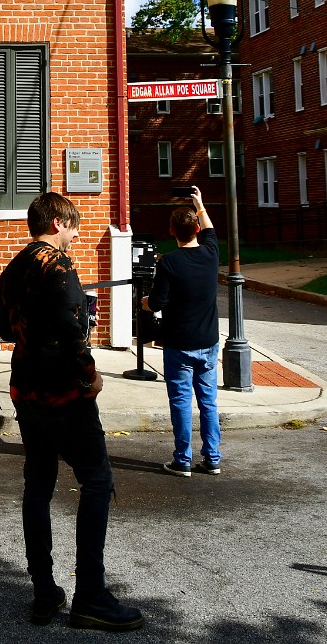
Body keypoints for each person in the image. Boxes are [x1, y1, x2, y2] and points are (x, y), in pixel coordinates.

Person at [0, 192, 143, 632]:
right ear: (58, 221)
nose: (77, 235)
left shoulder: (13, 267)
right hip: (62, 392)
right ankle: (91, 594)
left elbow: (5, 329)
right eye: (74, 226)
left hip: (26, 389)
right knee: (97, 481)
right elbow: (70, 325)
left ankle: (44, 591)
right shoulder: (58, 265)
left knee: (38, 485)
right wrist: (89, 373)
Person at [142, 185, 222, 478]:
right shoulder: (211, 254)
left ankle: (182, 460)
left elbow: (159, 302)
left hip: (179, 344)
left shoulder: (170, 263)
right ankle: (212, 459)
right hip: (209, 341)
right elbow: (211, 230)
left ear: (171, 231)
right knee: (208, 401)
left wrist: (145, 303)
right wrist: (200, 203)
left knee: (180, 402)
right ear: (197, 229)